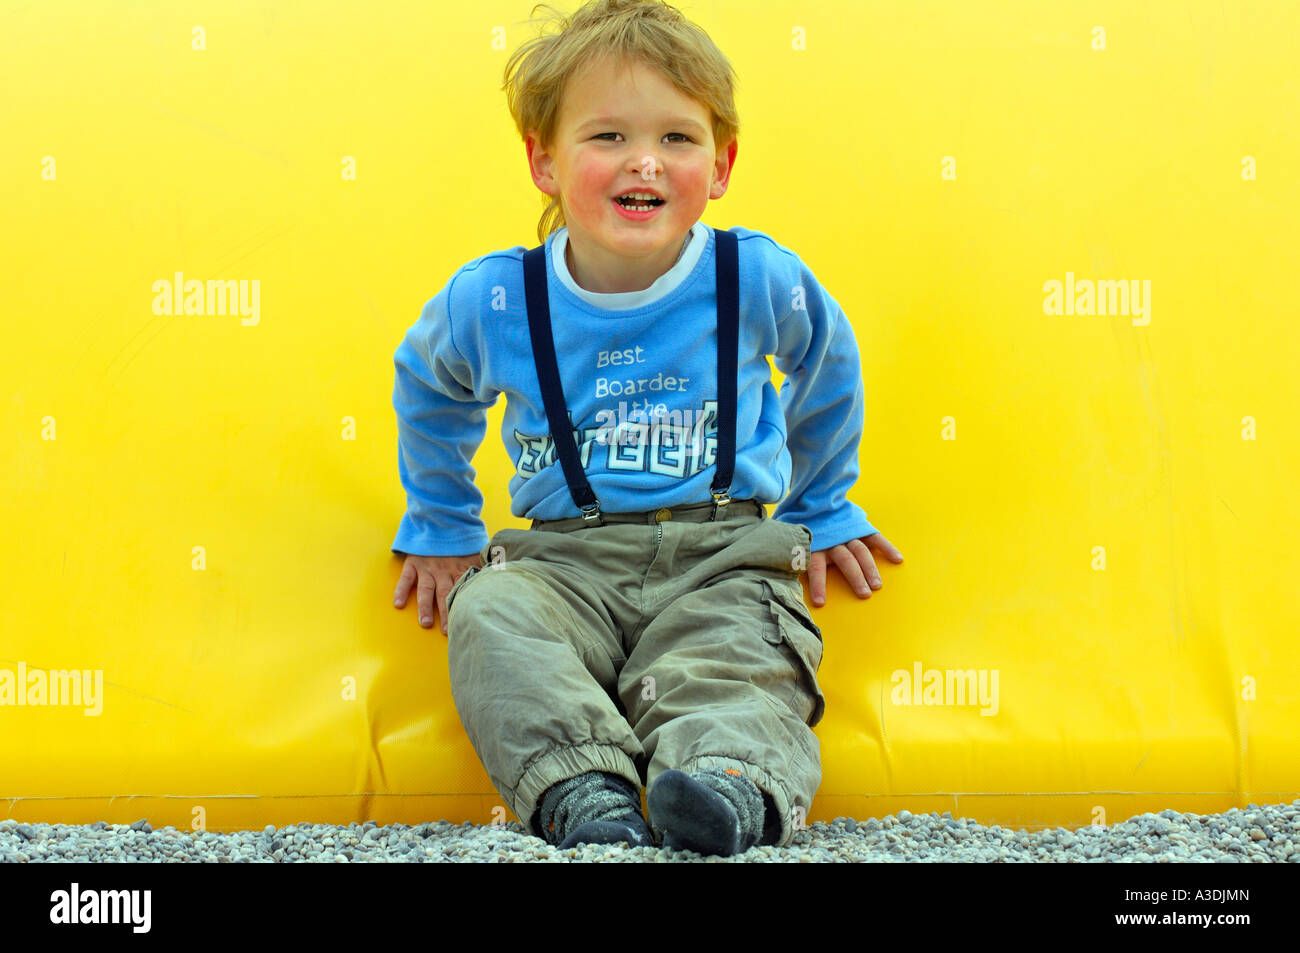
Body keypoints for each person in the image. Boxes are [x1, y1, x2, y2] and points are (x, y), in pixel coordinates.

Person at [390, 0, 902, 856]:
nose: (645, 163)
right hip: (564, 562)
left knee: (737, 660)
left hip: (722, 558)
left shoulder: (754, 276)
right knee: (494, 613)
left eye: (677, 138)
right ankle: (583, 788)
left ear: (723, 162)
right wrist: (442, 520)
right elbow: (427, 382)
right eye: (606, 138)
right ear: (542, 160)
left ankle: (726, 787)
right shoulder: (494, 299)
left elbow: (830, 361)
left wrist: (828, 501)